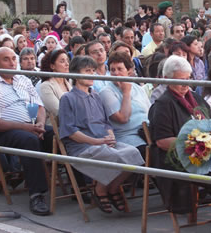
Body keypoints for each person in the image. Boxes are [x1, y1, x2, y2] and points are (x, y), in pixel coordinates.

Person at [148, 56, 211, 231]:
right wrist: (196, 144)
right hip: (180, 159)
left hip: (206, 151)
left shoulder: (195, 97)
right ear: (167, 80)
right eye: (180, 80)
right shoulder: (163, 104)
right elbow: (162, 141)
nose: (185, 84)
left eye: (188, 79)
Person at [58, 55, 144, 214]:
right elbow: (69, 131)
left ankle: (110, 187)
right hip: (82, 146)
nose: (91, 74)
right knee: (110, 154)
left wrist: (110, 136)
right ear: (76, 74)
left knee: (134, 153)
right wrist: (95, 141)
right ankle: (101, 190)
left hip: (103, 141)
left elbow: (106, 123)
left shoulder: (95, 96)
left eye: (93, 71)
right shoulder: (67, 98)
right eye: (87, 71)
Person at [0, 47, 53, 216]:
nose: (11, 63)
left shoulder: (22, 80)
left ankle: (84, 187)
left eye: (13, 59)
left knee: (57, 135)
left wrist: (39, 123)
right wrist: (27, 128)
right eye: (6, 60)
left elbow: (39, 105)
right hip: (3, 132)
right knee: (29, 140)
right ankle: (37, 194)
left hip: (31, 126)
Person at [99, 51, 150, 158]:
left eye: (120, 69)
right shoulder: (106, 92)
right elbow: (123, 118)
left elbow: (149, 112)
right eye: (113, 70)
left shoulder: (138, 88)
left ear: (129, 71)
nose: (116, 73)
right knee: (148, 152)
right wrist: (126, 93)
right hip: (127, 136)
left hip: (147, 131)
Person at [39, 49, 71, 119]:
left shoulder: (70, 82)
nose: (67, 64)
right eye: (62, 61)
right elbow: (59, 111)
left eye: (67, 60)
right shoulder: (46, 86)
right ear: (52, 66)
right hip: (58, 126)